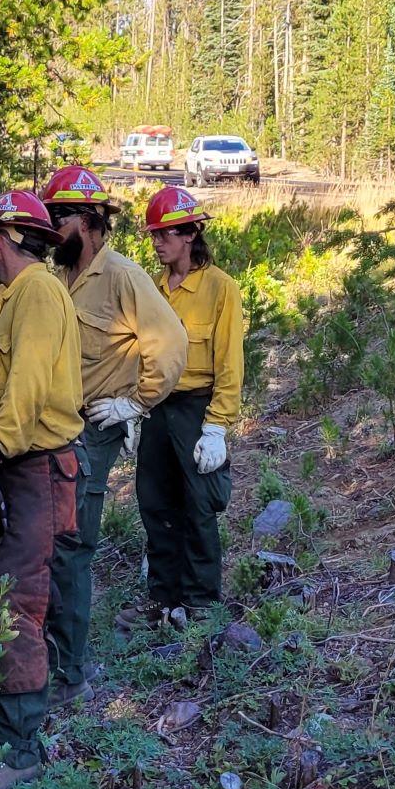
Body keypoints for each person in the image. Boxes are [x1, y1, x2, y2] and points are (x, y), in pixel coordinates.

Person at [41, 164, 185, 703]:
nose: (53, 229)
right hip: (54, 427)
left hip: (94, 429)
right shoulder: (56, 279)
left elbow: (170, 342)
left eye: (62, 218)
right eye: (50, 216)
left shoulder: (123, 276)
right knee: (48, 542)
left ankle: (70, 672)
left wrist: (136, 403)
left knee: (72, 545)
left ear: (93, 221)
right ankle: (51, 656)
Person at [0, 189, 83, 789]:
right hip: (11, 462)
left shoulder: (36, 290)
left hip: (33, 465)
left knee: (16, 599)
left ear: (3, 241)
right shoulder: (1, 298)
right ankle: (0, 718)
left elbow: (30, 379)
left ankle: (20, 748)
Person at [136, 186, 245, 627]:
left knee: (199, 505)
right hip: (158, 408)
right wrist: (132, 404)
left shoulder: (220, 289)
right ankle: (162, 597)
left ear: (190, 234)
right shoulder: (152, 289)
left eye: (166, 234)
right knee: (156, 503)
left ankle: (199, 602)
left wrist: (217, 427)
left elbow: (229, 364)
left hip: (197, 409)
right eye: (154, 236)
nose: (158, 243)